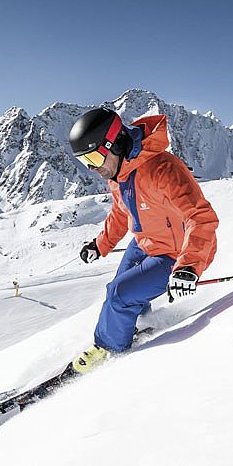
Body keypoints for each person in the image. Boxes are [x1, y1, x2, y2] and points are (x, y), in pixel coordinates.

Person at [67, 107, 219, 372]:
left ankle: (110, 350)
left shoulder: (163, 168)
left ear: (113, 143)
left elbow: (202, 217)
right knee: (119, 288)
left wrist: (188, 267)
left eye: (93, 157)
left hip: (177, 253)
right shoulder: (118, 172)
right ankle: (134, 324)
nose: (93, 168)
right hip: (146, 242)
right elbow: (120, 212)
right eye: (85, 162)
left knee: (119, 295)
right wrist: (99, 245)